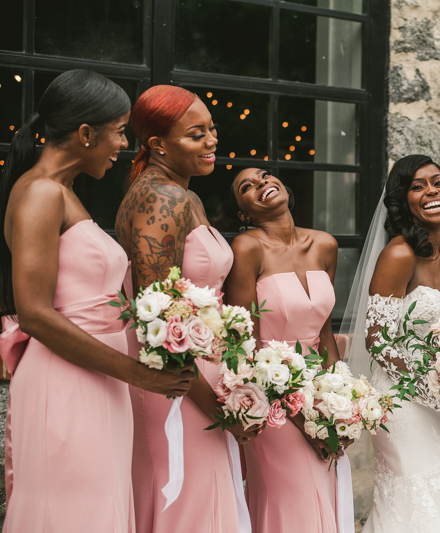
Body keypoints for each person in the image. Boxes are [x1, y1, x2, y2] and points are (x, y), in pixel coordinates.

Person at [0, 70, 194, 532]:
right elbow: (36, 314)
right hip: (65, 383)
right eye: (120, 130)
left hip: (100, 381)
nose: (125, 144)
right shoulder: (41, 194)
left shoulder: (64, 194)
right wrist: (140, 375)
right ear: (86, 133)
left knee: (100, 510)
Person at [115, 85, 258, 532]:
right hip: (177, 387)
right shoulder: (162, 199)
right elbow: (156, 321)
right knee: (186, 503)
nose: (212, 140)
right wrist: (221, 413)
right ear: (158, 144)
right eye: (197, 134)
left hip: (203, 376)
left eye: (212, 129)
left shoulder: (187, 197)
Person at [341, 154, 440, 533]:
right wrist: (433, 387)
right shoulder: (398, 255)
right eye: (418, 186)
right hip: (403, 398)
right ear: (403, 200)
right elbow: (377, 339)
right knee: (417, 491)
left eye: (438, 182)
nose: (432, 191)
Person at [225, 168, 342, 532]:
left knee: (322, 491)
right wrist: (301, 418)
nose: (261, 184)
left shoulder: (325, 244)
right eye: (247, 186)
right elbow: (244, 344)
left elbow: (324, 331)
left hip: (320, 394)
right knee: (292, 499)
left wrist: (341, 402)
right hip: (270, 398)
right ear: (244, 214)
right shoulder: (247, 248)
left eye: (264, 176)